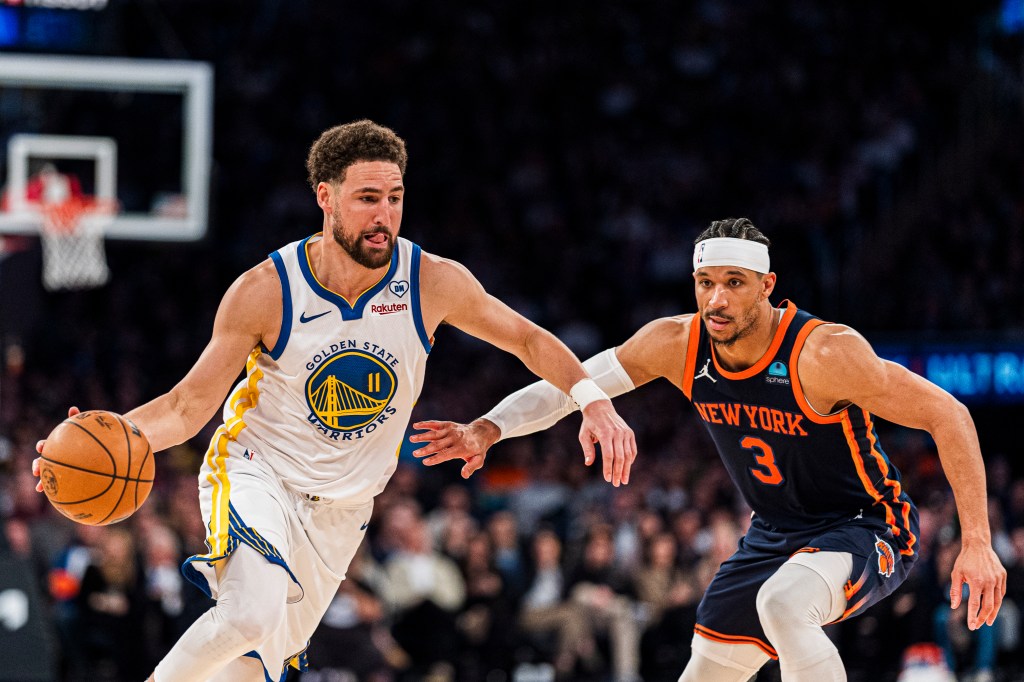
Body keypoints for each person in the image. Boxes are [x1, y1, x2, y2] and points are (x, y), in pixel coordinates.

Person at [31, 119, 636, 682]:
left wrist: (591, 400)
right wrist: (110, 434)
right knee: (247, 615)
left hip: (345, 508)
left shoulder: (430, 282)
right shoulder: (266, 290)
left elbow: (527, 338)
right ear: (325, 197)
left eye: (395, 197)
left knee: (254, 667)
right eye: (367, 198)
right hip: (258, 471)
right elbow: (188, 406)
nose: (384, 216)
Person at [410, 217, 1008, 681]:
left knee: (785, 602)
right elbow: (575, 386)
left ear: (768, 286)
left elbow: (948, 414)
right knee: (705, 670)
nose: (716, 299)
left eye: (734, 283)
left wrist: (977, 541)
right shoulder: (676, 343)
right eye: (705, 283)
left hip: (865, 523)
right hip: (774, 531)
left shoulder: (822, 354)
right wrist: (487, 428)